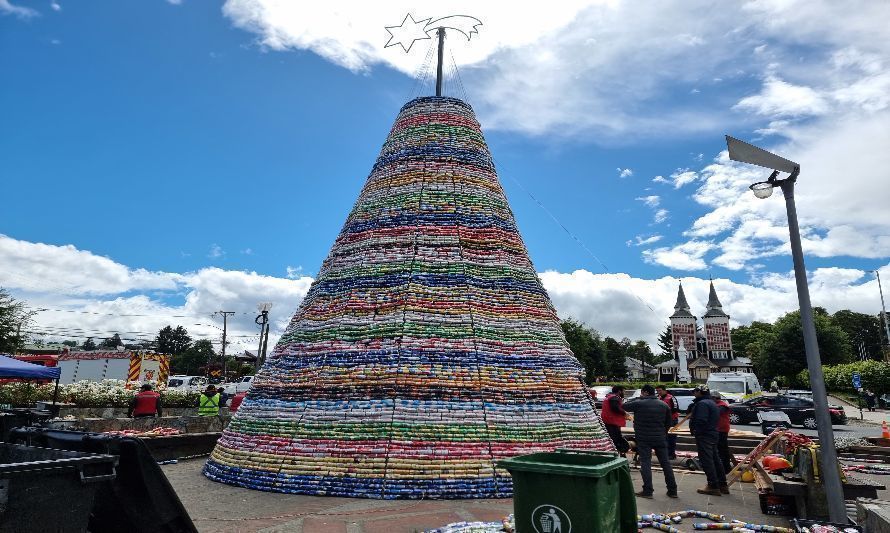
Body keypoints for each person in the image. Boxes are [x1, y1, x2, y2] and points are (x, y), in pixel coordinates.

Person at [624, 384, 678, 498]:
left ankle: (648, 491)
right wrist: (662, 433)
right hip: (660, 438)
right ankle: (672, 490)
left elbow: (624, 406)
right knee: (666, 464)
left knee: (646, 463)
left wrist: (638, 398)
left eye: (642, 393)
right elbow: (668, 423)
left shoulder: (638, 403)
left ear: (645, 392)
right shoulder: (664, 405)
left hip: (643, 439)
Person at [689, 385, 727, 495]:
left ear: (699, 392)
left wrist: (697, 432)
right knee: (715, 459)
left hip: (705, 435)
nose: (694, 393)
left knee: (707, 460)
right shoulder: (711, 402)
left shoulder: (702, 404)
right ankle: (722, 484)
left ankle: (713, 485)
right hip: (712, 433)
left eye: (695, 391)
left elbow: (701, 420)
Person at [601, 385, 631, 455]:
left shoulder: (609, 397)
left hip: (608, 421)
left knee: (612, 439)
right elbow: (615, 408)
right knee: (615, 440)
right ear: (619, 391)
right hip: (613, 422)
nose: (624, 393)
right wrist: (625, 413)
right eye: (623, 391)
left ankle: (614, 453)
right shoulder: (614, 398)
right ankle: (616, 455)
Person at [656, 385, 680, 459]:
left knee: (671, 438)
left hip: (672, 420)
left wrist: (666, 414)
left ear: (664, 390)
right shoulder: (659, 398)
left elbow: (675, 409)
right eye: (657, 391)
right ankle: (665, 453)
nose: (658, 392)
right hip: (662, 421)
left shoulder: (671, 398)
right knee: (664, 438)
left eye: (660, 390)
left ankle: (671, 454)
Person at [712, 392, 733, 474]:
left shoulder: (722, 405)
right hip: (718, 429)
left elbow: (716, 413)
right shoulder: (719, 405)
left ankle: (726, 468)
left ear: (715, 398)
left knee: (722, 449)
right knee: (721, 449)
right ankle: (723, 467)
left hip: (722, 430)